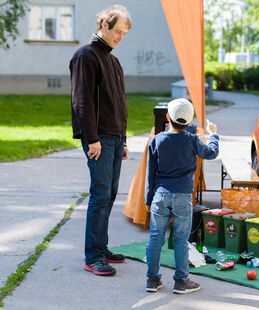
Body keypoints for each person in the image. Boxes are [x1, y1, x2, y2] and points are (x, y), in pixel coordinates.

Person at [69, 5, 132, 276]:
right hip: (99, 139)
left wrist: (124, 139)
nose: (120, 37)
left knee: (110, 194)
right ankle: (93, 256)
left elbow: (119, 103)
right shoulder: (86, 56)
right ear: (104, 24)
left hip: (115, 137)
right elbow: (81, 101)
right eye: (117, 31)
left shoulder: (113, 61)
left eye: (124, 33)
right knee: (100, 193)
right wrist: (91, 138)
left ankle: (101, 248)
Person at [145, 98, 219, 294]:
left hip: (160, 196)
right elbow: (211, 153)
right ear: (189, 121)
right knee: (180, 239)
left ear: (167, 117)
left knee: (155, 238)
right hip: (183, 197)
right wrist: (214, 135)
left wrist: (147, 199)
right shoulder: (192, 139)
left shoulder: (156, 140)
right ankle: (181, 281)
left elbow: (150, 174)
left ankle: (152, 280)